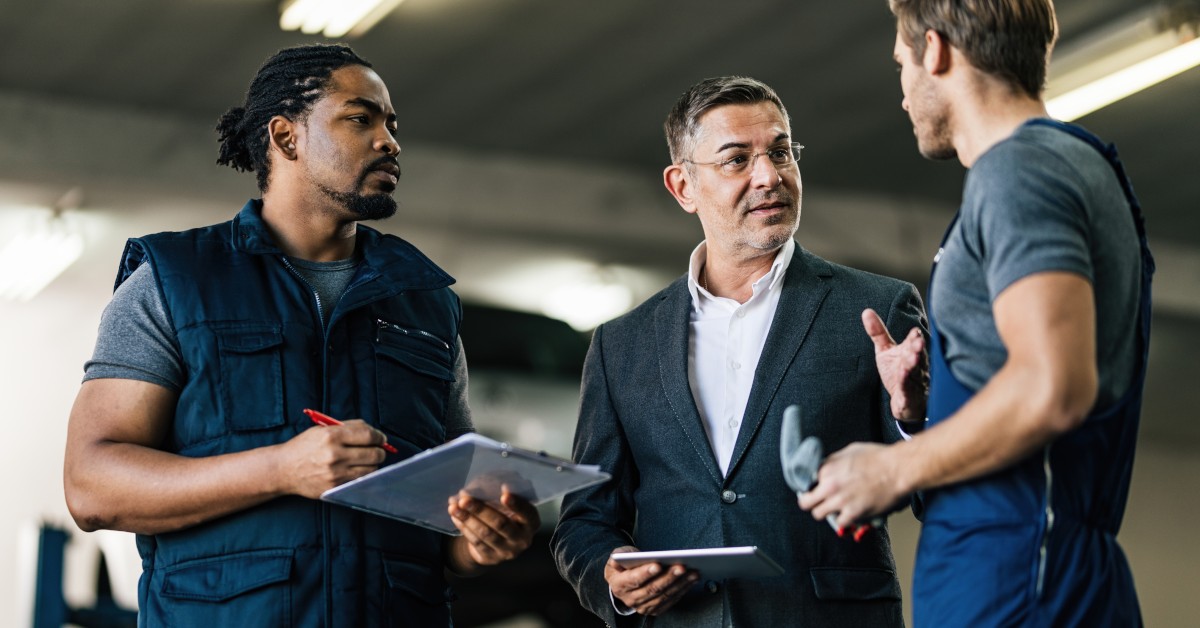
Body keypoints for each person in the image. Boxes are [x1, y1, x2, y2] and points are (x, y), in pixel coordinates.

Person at [63, 44, 539, 627]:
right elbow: (92, 487)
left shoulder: (428, 304)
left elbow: (447, 516)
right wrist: (281, 470)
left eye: (392, 125)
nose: (389, 141)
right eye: (361, 119)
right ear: (286, 138)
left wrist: (481, 540)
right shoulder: (172, 281)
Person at [798, 1, 1154, 625]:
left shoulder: (1021, 171)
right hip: (1023, 571)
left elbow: (1054, 388)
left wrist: (891, 467)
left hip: (1019, 581)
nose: (904, 93)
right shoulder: (1064, 165)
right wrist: (921, 413)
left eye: (902, 63)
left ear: (935, 51)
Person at [550, 76, 928, 627]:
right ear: (683, 186)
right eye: (736, 160)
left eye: (780, 152)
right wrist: (613, 574)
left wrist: (914, 417)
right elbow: (583, 520)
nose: (770, 176)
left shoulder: (877, 308)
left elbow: (943, 482)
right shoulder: (621, 344)